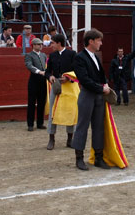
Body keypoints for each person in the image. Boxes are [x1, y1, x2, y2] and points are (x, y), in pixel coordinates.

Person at [71, 28, 111, 170]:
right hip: (87, 95)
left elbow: (101, 75)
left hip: (98, 97)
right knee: (82, 126)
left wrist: (105, 83)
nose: (101, 43)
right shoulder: (79, 57)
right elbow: (84, 80)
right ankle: (79, 158)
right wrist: (101, 88)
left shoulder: (95, 56)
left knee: (99, 127)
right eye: (99, 40)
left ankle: (98, 158)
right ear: (91, 41)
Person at [45, 33, 77, 150]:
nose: (51, 45)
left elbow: (77, 70)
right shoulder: (52, 55)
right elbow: (47, 72)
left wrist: (68, 78)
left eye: (53, 42)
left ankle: (70, 139)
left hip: (69, 87)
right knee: (52, 112)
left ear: (59, 43)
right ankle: (51, 139)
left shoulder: (72, 54)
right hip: (56, 86)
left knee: (70, 112)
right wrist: (50, 77)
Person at [24, 38, 47, 131]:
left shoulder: (44, 55)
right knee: (31, 103)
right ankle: (30, 124)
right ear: (33, 45)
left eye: (41, 44)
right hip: (34, 80)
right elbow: (29, 65)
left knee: (42, 102)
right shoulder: (29, 55)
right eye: (38, 44)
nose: (40, 46)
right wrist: (39, 71)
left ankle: (40, 123)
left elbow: (46, 66)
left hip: (43, 81)